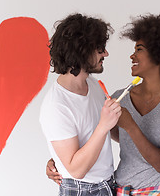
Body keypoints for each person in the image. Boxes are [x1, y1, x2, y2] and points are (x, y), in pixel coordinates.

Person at [47, 13, 160, 196]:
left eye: (139, 49)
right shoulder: (120, 97)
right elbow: (97, 135)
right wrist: (60, 159)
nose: (131, 55)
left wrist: (131, 125)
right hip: (119, 189)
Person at [40, 13, 121, 196]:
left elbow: (95, 138)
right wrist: (104, 125)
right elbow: (76, 170)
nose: (105, 53)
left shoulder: (92, 85)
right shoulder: (56, 105)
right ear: (81, 51)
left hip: (107, 184)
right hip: (82, 190)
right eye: (100, 48)